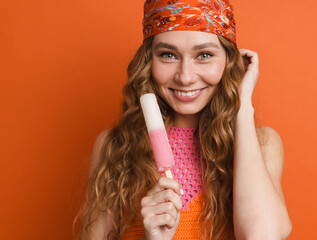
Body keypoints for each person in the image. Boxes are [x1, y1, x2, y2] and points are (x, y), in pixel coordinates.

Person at [74, 0, 292, 239]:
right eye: (168, 55)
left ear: (228, 62)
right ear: (148, 62)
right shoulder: (114, 147)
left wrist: (242, 107)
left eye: (204, 55)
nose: (185, 77)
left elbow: (261, 235)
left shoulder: (262, 144)